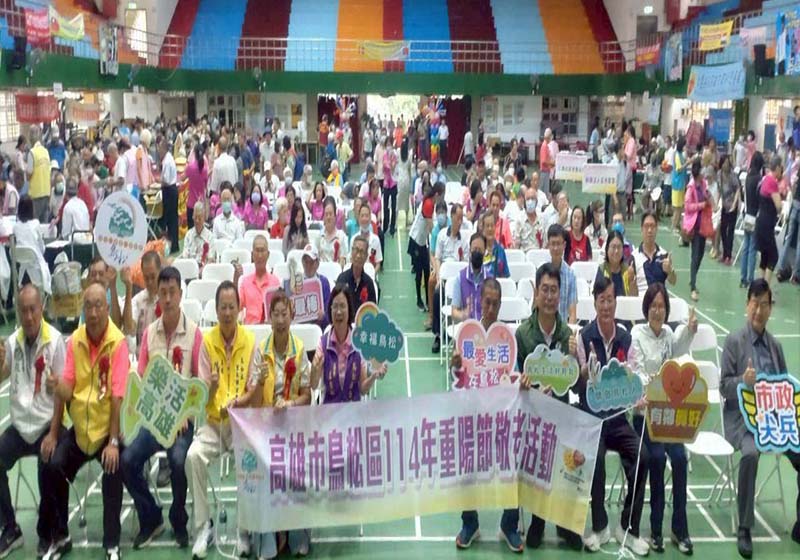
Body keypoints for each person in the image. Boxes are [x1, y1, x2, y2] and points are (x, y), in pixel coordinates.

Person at [42, 282, 130, 560]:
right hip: (80, 430)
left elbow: (117, 396)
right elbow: (68, 388)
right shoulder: (75, 340)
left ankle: (111, 544)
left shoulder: (118, 343)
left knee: (113, 467)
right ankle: (61, 536)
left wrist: (113, 442)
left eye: (98, 306)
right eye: (88, 306)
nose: (92, 313)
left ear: (107, 308)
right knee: (53, 465)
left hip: (106, 429)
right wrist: (57, 386)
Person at [121, 267, 202, 550]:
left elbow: (199, 384)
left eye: (172, 293)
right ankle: (150, 517)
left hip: (182, 422)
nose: (167, 299)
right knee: (127, 460)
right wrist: (151, 414)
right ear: (158, 295)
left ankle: (178, 519)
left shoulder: (194, 334)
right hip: (154, 420)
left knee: (179, 461)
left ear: (180, 294)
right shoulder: (148, 335)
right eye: (163, 293)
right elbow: (143, 379)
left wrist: (185, 415)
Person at [719, 279, 800, 558]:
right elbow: (723, 388)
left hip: (774, 422)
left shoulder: (775, 346)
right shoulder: (734, 341)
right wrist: (743, 381)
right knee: (751, 454)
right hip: (743, 421)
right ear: (747, 305)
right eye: (755, 303)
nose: (758, 310)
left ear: (770, 308)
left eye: (764, 304)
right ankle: (744, 527)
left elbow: (785, 386)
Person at [188, 280, 263, 559]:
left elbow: (254, 388)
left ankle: (244, 529)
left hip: (241, 423)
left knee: (250, 459)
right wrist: (212, 388)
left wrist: (239, 402)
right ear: (216, 310)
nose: (228, 312)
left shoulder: (251, 342)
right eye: (223, 307)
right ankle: (203, 527)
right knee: (193, 456)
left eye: (232, 307)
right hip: (213, 423)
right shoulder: (207, 343)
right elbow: (202, 398)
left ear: (239, 309)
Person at [576, 277, 650, 557]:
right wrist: (584, 372)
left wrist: (637, 396)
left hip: (618, 419)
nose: (606, 306)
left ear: (615, 302)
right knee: (595, 458)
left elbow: (634, 377)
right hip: (593, 419)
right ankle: (600, 526)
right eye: (601, 300)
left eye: (610, 299)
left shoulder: (625, 338)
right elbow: (578, 386)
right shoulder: (583, 337)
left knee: (642, 456)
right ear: (595, 303)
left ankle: (628, 528)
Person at [451, 278, 524, 552]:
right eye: (487, 302)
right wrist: (455, 367)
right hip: (473, 416)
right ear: (480, 301)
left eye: (496, 303)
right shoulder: (467, 337)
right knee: (466, 466)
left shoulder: (507, 340)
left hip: (502, 418)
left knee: (512, 463)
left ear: (501, 305)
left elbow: (515, 377)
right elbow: (458, 380)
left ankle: (509, 525)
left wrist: (520, 382)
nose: (491, 308)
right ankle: (470, 523)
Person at [514, 264, 583, 550]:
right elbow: (513, 380)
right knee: (539, 457)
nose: (550, 296)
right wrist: (522, 383)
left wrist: (576, 359)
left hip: (561, 413)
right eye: (545, 290)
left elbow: (576, 383)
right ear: (537, 293)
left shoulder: (568, 335)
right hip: (532, 415)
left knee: (568, 461)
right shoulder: (522, 334)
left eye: (554, 290)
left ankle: (565, 524)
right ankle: (538, 520)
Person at [629, 283, 697, 554]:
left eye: (662, 306)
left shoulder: (668, 334)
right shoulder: (636, 334)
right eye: (653, 306)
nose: (658, 311)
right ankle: (655, 529)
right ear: (647, 308)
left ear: (666, 310)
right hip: (645, 415)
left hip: (668, 416)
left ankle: (680, 528)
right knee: (656, 458)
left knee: (680, 458)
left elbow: (680, 347)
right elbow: (636, 372)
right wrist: (657, 387)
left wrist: (690, 329)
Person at [0, 285, 66, 558]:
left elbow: (61, 393)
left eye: (32, 309)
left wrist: (53, 433)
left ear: (41, 309)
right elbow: (3, 375)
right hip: (20, 428)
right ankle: (10, 527)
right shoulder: (11, 342)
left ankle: (47, 532)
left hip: (46, 425)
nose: (28, 316)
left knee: (49, 462)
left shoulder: (56, 341)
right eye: (23, 310)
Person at [252, 289, 313, 558]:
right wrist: (259, 382)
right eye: (275, 314)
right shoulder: (260, 351)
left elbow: (307, 395)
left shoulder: (299, 350)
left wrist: (289, 404)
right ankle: (270, 532)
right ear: (269, 318)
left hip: (293, 424)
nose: (280, 320)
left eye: (284, 314)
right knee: (263, 467)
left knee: (298, 464)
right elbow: (254, 401)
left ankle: (296, 531)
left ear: (291, 316)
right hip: (266, 425)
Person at [310, 284, 384, 404]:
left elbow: (362, 389)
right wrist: (314, 370)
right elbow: (313, 385)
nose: (338, 312)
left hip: (353, 411)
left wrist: (373, 376)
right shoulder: (322, 343)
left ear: (349, 310)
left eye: (342, 306)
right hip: (329, 411)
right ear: (330, 310)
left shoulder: (359, 343)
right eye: (335, 306)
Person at [435, 232, 491, 355]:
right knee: (457, 359)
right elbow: (454, 311)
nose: (477, 253)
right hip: (466, 330)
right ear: (469, 251)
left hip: (486, 332)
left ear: (485, 252)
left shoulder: (490, 280)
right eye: (474, 249)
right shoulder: (460, 279)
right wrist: (463, 315)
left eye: (480, 250)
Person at [683, 160, 713, 301]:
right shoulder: (691, 188)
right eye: (702, 170)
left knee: (700, 254)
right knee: (695, 255)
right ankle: (693, 286)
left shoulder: (703, 184)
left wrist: (709, 198)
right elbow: (688, 207)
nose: (704, 173)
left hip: (704, 224)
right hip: (694, 225)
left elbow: (708, 197)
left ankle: (693, 277)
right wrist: (701, 205)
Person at [122, 250, 161, 354]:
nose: (150, 282)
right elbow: (129, 329)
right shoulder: (138, 300)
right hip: (143, 358)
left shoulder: (168, 299)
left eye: (153, 277)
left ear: (160, 272)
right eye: (146, 278)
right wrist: (128, 287)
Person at [12, 196, 51, 295]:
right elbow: (41, 248)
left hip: (22, 273)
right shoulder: (36, 224)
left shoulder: (15, 227)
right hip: (36, 270)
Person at [237, 235, 280, 324]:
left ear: (268, 254)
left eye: (262, 250)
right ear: (252, 255)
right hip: (250, 329)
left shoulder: (275, 282)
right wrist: (235, 279)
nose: (260, 255)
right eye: (257, 251)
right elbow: (237, 307)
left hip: (270, 329)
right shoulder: (245, 282)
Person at [408, 180, 436, 312]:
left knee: (427, 271)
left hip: (423, 242)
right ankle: (419, 300)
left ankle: (428, 301)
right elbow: (431, 228)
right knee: (419, 272)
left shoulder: (431, 203)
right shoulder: (428, 204)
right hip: (416, 241)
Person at [755, 156, 784, 284]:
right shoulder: (772, 182)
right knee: (773, 256)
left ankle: (761, 286)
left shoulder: (765, 178)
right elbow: (779, 206)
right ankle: (765, 288)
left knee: (765, 257)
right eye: (781, 167)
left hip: (761, 220)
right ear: (777, 167)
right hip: (767, 223)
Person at [632, 211, 676, 294]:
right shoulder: (633, 256)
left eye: (652, 226)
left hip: (660, 300)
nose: (649, 230)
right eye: (646, 226)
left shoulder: (664, 255)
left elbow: (673, 281)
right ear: (641, 228)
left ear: (657, 229)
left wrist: (670, 271)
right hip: (641, 300)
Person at [740, 152, 764, 288]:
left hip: (746, 214)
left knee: (746, 246)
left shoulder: (748, 177)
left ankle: (743, 278)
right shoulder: (759, 179)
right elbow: (761, 198)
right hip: (755, 216)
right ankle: (750, 279)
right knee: (752, 249)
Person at [546, 224, 577, 324]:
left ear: (564, 245)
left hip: (562, 329)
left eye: (558, 244)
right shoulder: (542, 272)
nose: (555, 248)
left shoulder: (570, 275)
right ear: (548, 245)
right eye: (553, 244)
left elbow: (572, 313)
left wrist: (570, 330)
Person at [336, 236, 377, 306]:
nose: (358, 255)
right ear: (352, 252)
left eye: (362, 252)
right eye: (356, 250)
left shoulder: (369, 283)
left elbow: (372, 309)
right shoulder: (342, 279)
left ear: (366, 256)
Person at [596, 231, 638, 297]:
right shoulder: (602, 269)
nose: (616, 251)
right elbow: (597, 297)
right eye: (613, 247)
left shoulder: (628, 270)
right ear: (607, 249)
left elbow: (634, 298)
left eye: (619, 247)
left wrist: (632, 283)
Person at [776, 171, 800, 284]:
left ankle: (780, 268)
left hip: (795, 203)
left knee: (788, 238)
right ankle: (796, 275)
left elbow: (794, 185)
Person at [718, 155, 742, 265]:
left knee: (730, 231)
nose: (726, 165)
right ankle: (724, 253)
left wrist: (735, 204)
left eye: (728, 163)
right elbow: (719, 189)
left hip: (732, 205)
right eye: (724, 163)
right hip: (724, 205)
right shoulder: (719, 174)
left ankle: (728, 256)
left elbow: (737, 189)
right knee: (722, 229)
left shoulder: (733, 175)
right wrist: (717, 202)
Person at [158, 137, 179, 254]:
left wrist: (158, 180)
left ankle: (173, 245)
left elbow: (165, 179)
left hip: (169, 190)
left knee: (171, 220)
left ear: (164, 148)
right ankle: (173, 244)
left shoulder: (167, 161)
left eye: (160, 148)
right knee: (172, 219)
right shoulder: (169, 158)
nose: (158, 151)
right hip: (172, 190)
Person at [180, 201, 215, 269]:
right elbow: (185, 255)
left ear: (204, 218)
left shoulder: (210, 236)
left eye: (199, 218)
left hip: (204, 269)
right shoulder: (188, 235)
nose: (197, 221)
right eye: (195, 217)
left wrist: (202, 269)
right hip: (189, 268)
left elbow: (210, 259)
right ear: (192, 217)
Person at [28, 126, 52, 223]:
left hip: (36, 194)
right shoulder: (45, 151)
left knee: (35, 223)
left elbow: (29, 173)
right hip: (46, 192)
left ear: (30, 137)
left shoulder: (32, 153)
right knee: (44, 224)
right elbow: (49, 171)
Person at [316, 197, 348, 267]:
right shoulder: (319, 236)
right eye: (326, 214)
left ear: (335, 216)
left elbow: (343, 259)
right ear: (323, 217)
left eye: (330, 214)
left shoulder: (341, 236)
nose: (328, 217)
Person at [513, 186, 545, 251]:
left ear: (536, 201)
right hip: (524, 255)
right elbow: (516, 245)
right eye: (528, 199)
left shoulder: (542, 219)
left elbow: (545, 243)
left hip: (539, 254)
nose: (530, 201)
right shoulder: (519, 219)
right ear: (525, 201)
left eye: (532, 198)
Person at [355, 203, 383, 273]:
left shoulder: (376, 240)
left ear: (370, 218)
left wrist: (372, 275)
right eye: (362, 216)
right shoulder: (354, 239)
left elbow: (378, 263)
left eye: (367, 216)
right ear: (358, 218)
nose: (364, 219)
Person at [480, 211, 509, 279]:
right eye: (487, 226)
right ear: (483, 228)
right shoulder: (479, 249)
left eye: (492, 225)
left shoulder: (500, 250)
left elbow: (505, 275)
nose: (490, 229)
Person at [186, 143, 208, 229]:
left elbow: (184, 177)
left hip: (191, 203)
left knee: (191, 230)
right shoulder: (205, 170)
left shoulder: (190, 167)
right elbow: (205, 186)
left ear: (194, 153)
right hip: (201, 203)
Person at [671, 137, 688, 233]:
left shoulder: (681, 155)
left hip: (681, 184)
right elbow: (679, 169)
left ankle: (677, 225)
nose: (686, 146)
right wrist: (687, 163)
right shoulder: (677, 155)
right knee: (677, 208)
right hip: (677, 185)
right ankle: (673, 226)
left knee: (681, 207)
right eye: (685, 145)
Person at [539, 128, 555, 195]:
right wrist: (551, 163)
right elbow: (544, 161)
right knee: (543, 191)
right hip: (544, 172)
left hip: (547, 171)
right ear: (549, 136)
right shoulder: (544, 146)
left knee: (545, 191)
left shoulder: (546, 146)